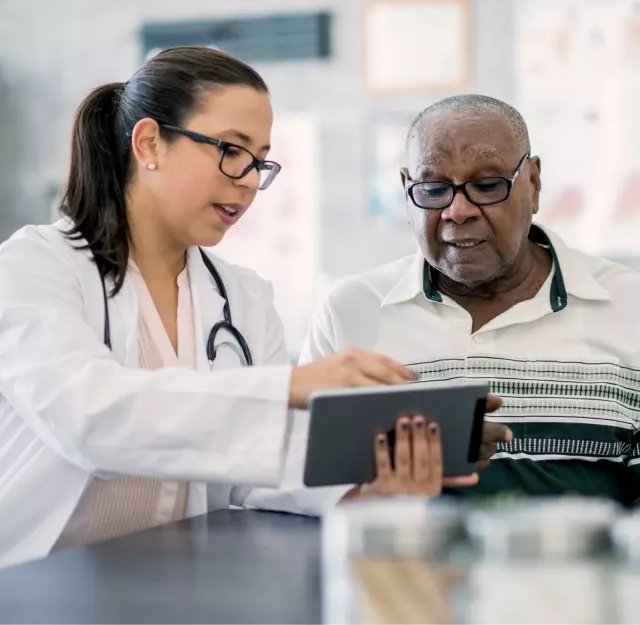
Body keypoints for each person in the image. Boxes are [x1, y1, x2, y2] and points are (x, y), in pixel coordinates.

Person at [0, 47, 458, 569]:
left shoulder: (242, 298)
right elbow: (89, 418)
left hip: (175, 579)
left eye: (260, 160)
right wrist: (288, 387)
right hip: (34, 581)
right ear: (150, 143)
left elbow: (258, 466)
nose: (247, 179)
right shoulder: (33, 266)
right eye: (230, 149)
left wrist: (370, 487)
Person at [299, 93, 640, 506]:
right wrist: (388, 485)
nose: (458, 210)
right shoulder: (350, 312)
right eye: (433, 188)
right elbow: (303, 495)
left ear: (532, 184)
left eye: (487, 185)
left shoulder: (628, 307)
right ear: (407, 192)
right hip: (405, 568)